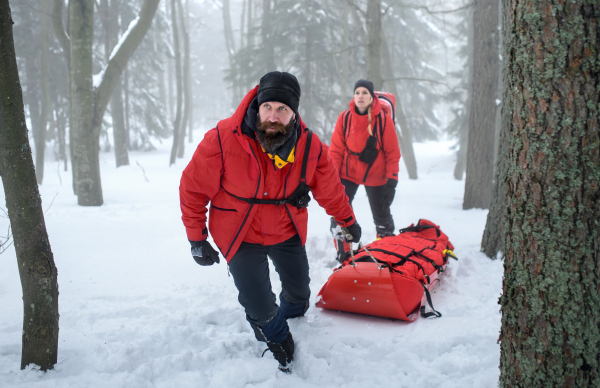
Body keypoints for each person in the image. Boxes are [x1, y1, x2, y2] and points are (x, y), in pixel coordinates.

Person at [179, 71, 361, 372]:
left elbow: (329, 188)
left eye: (282, 110)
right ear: (258, 105)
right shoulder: (223, 138)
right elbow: (193, 188)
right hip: (239, 231)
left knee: (300, 293)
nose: (273, 116)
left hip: (285, 227)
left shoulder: (310, 145)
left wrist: (347, 220)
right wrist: (196, 238)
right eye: (268, 107)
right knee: (259, 303)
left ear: (294, 113)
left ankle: (291, 315)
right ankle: (274, 335)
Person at [328, 79, 401, 263]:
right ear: (354, 96)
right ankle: (343, 254)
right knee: (339, 212)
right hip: (348, 173)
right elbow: (335, 150)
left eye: (365, 93)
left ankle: (386, 255)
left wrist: (392, 181)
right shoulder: (344, 118)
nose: (360, 96)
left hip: (376, 175)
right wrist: (332, 177)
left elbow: (393, 153)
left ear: (371, 97)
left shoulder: (383, 120)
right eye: (357, 92)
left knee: (382, 215)